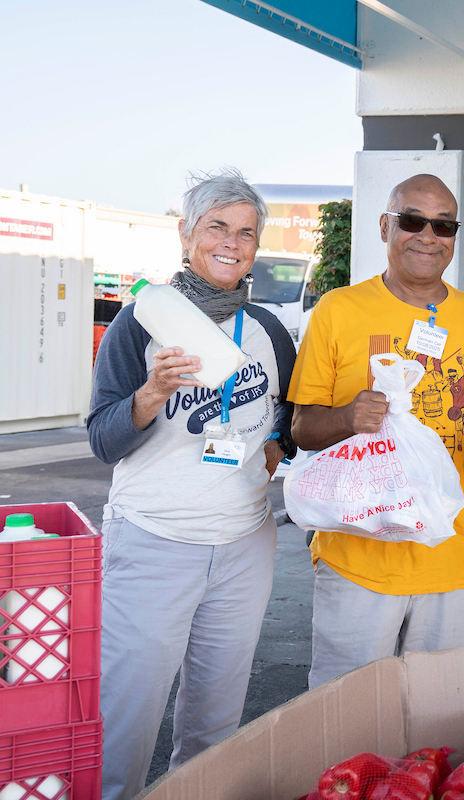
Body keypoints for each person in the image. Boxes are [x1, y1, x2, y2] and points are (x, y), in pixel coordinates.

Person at [88, 169, 298, 800]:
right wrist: (151, 393)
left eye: (246, 233)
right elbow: (102, 439)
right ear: (185, 235)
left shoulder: (267, 329)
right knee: (125, 719)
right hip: (154, 541)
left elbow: (289, 414)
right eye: (217, 227)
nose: (232, 243)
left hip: (242, 546)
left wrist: (277, 446)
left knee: (215, 723)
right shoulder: (139, 323)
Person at [290, 174, 464, 688]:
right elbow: (302, 429)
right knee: (345, 716)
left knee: (446, 716)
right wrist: (345, 416)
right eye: (412, 220)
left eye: (443, 225)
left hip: (454, 557)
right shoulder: (338, 311)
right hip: (358, 557)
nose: (428, 235)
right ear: (384, 226)